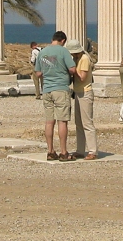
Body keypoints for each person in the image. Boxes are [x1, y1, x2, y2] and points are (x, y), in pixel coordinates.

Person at [35, 31, 76, 161]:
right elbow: (72, 69)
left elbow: (38, 73)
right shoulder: (63, 51)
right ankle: (63, 152)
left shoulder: (42, 52)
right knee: (62, 121)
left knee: (49, 122)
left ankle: (50, 151)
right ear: (63, 40)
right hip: (60, 88)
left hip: (47, 89)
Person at [66, 38, 97, 160]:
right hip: (78, 92)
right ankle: (80, 149)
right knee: (78, 123)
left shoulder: (84, 59)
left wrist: (73, 71)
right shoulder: (77, 59)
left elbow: (82, 77)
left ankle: (92, 151)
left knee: (87, 123)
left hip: (85, 92)